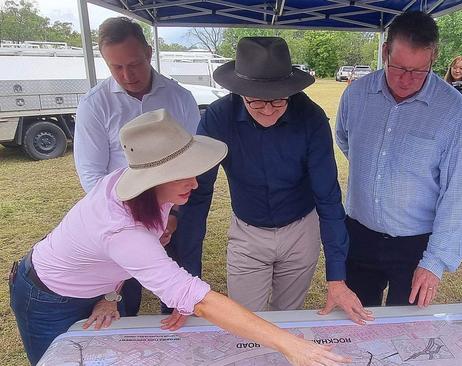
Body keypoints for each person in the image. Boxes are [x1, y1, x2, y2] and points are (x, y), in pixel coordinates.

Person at [9, 109, 350, 366]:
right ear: (153, 179)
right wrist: (292, 346)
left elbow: (117, 259)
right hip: (45, 297)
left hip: (89, 287)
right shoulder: (122, 230)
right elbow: (198, 299)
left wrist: (110, 295)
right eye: (182, 175)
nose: (196, 182)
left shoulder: (142, 193)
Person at [172, 37, 372, 324]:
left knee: (286, 320)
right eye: (256, 101)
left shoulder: (311, 118)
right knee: (246, 322)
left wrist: (337, 278)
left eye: (278, 100)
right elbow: (198, 193)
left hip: (301, 230)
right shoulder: (218, 118)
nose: (268, 110)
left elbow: (327, 197)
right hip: (248, 233)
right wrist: (187, 281)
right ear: (240, 92)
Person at [335, 11, 462, 308]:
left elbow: (458, 191)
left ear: (434, 58)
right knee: (354, 323)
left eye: (419, 70)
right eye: (398, 67)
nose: (406, 79)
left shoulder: (452, 109)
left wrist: (434, 261)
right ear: (385, 52)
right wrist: (380, 172)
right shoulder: (357, 95)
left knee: (405, 335)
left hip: (416, 245)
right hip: (359, 235)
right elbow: (346, 141)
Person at [73, 17, 201, 317]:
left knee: (183, 295)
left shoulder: (180, 98)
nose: (127, 75)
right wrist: (137, 220)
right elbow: (92, 174)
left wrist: (171, 216)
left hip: (176, 214)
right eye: (116, 67)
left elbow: (195, 162)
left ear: (149, 53)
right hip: (121, 217)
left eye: (134, 64)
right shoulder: (95, 104)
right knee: (121, 298)